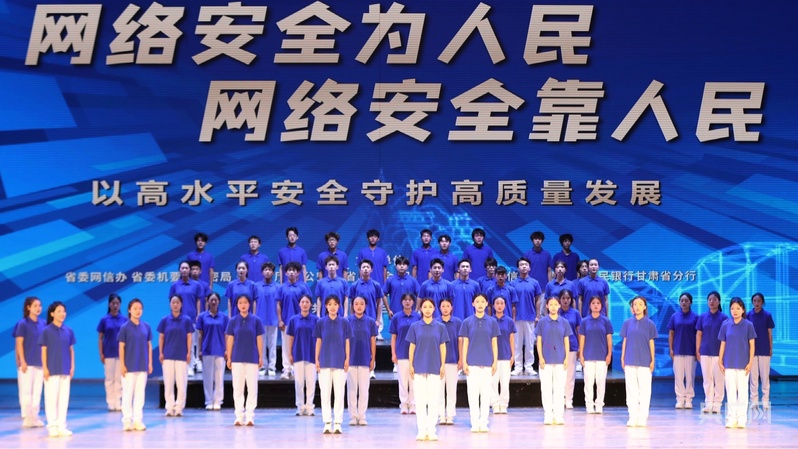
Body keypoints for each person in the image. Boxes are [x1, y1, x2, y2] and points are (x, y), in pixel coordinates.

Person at [407, 298, 449, 441]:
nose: (427, 309)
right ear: (421, 309)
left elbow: (442, 347)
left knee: (433, 400)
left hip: (434, 366)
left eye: (430, 307)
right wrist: (411, 364)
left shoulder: (440, 327)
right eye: (425, 307)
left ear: (434, 309)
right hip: (419, 367)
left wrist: (442, 365)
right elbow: (412, 347)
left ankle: (431, 430)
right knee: (420, 400)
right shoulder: (415, 326)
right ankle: (421, 429)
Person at [460, 293, 499, 433]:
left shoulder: (492, 322)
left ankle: (484, 422)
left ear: (487, 304)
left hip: (487, 363)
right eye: (477, 301)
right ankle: (475, 422)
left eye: (483, 301)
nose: (480, 304)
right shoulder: (467, 322)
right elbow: (465, 343)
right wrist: (464, 362)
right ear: (473, 304)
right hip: (472, 363)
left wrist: (495, 361)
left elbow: (494, 343)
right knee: (473, 394)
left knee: (486, 394)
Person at [314, 295, 353, 435]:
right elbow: (318, 341)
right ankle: (326, 422)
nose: (332, 307)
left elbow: (347, 341)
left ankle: (337, 423)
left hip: (340, 362)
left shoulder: (344, 322)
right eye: (329, 304)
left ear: (339, 306)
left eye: (335, 304)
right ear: (325, 306)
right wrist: (316, 359)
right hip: (324, 361)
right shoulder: (320, 322)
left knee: (339, 393)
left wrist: (347, 358)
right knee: (325, 394)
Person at [225, 294, 265, 426]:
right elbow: (230, 339)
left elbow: (259, 339)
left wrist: (260, 356)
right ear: (237, 305)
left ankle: (250, 416)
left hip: (252, 358)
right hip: (237, 358)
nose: (243, 305)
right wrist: (229, 357)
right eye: (240, 303)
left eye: (245, 302)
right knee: (238, 388)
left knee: (252, 388)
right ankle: (239, 415)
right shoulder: (233, 321)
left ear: (250, 304)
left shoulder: (256, 320)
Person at [718, 297, 756, 429]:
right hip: (729, 363)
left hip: (743, 364)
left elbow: (752, 345)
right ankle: (731, 418)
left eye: (738, 308)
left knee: (743, 393)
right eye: (732, 308)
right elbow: (723, 344)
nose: (735, 311)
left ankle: (741, 419)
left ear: (743, 310)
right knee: (731, 393)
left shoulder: (748, 325)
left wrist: (750, 362)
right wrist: (720, 360)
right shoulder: (725, 324)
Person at [39, 301, 76, 438]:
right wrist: (45, 368)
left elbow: (71, 350)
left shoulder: (68, 330)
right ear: (52, 314)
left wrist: (72, 366)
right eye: (59, 311)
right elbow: (44, 350)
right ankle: (52, 426)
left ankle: (62, 426)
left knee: (63, 399)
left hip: (65, 369)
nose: (62, 314)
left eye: (63, 311)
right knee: (51, 399)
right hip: (52, 369)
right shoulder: (46, 331)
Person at [620, 295, 657, 427]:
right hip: (630, 360)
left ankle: (642, 417)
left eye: (640, 304)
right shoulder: (627, 323)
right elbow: (625, 341)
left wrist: (652, 359)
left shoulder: (650, 324)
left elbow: (651, 343)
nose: (637, 307)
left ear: (645, 307)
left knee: (644, 390)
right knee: (631, 390)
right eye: (635, 304)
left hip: (645, 361)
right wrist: (623, 357)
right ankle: (633, 416)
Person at [535, 296, 571, 425]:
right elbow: (539, 341)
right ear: (547, 306)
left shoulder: (564, 322)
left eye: (556, 304)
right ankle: (548, 415)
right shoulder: (542, 322)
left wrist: (566, 358)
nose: (554, 307)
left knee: (559, 389)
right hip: (546, 360)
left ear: (559, 306)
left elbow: (566, 341)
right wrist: (541, 357)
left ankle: (558, 415)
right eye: (551, 304)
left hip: (560, 360)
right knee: (546, 389)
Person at [158, 294, 194, 417]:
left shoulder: (186, 320)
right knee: (168, 383)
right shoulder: (164, 320)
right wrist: (161, 352)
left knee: (181, 384)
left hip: (181, 355)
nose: (175, 305)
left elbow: (189, 337)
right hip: (168, 355)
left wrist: (189, 352)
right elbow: (161, 337)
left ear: (181, 304)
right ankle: (169, 407)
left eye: (177, 302)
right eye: (173, 302)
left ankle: (179, 407)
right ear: (170, 304)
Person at [118, 299, 152, 431]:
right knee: (127, 394)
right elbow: (121, 347)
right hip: (129, 366)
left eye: (140, 308)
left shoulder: (146, 326)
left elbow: (149, 345)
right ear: (129, 310)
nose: (138, 311)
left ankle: (138, 420)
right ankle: (127, 420)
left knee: (140, 395)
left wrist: (150, 362)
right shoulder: (125, 327)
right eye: (135, 308)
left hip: (142, 365)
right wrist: (122, 365)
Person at [278, 261, 313, 379]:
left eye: (294, 270)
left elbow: (308, 303)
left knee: (299, 345)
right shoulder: (282, 287)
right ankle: (286, 369)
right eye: (289, 270)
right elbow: (278, 304)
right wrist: (280, 320)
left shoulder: (304, 287)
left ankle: (296, 370)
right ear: (286, 273)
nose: (291, 272)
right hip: (286, 321)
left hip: (301, 322)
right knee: (286, 346)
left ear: (298, 273)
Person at [14, 296, 46, 428]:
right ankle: (27, 417)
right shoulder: (23, 324)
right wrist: (22, 360)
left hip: (40, 362)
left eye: (40, 305)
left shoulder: (43, 323)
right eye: (35, 306)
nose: (38, 308)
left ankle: (35, 416)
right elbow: (19, 343)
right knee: (26, 391)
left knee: (37, 392)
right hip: (27, 362)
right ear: (28, 307)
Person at [579, 296, 613, 414]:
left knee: (600, 382)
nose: (596, 305)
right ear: (589, 305)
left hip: (602, 356)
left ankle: (599, 405)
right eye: (593, 303)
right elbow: (582, 339)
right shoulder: (584, 321)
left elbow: (609, 340)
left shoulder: (606, 321)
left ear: (601, 306)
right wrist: (581, 355)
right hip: (588, 356)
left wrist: (609, 354)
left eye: (598, 303)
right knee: (588, 382)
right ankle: (589, 405)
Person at [286, 294, 320, 416]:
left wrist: (318, 355)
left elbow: (319, 339)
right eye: (302, 302)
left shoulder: (316, 320)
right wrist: (290, 353)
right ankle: (300, 407)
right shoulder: (293, 320)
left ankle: (310, 407)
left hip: (311, 354)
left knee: (311, 382)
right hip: (298, 353)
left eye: (307, 302)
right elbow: (290, 338)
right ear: (299, 304)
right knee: (299, 382)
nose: (305, 304)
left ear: (311, 304)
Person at [346, 296, 378, 425]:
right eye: (356, 304)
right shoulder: (347, 321)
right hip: (351, 359)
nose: (359, 306)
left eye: (362, 304)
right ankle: (353, 416)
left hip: (365, 358)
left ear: (366, 306)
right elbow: (345, 341)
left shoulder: (370, 322)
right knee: (352, 390)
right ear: (352, 306)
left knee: (364, 389)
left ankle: (362, 415)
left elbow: (373, 342)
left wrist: (373, 359)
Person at [696, 291, 728, 414]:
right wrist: (697, 350)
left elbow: (726, 337)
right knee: (707, 378)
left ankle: (717, 403)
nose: (712, 302)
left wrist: (724, 353)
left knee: (719, 379)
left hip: (719, 353)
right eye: (709, 299)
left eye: (714, 299)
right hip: (705, 351)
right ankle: (708, 402)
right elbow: (699, 334)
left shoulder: (724, 318)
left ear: (719, 301)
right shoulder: (702, 317)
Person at [196, 292, 229, 410]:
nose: (213, 302)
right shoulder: (202, 317)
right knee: (208, 377)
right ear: (207, 301)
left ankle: (218, 400)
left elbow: (226, 335)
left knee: (219, 377)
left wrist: (227, 350)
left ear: (219, 302)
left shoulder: (224, 317)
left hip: (220, 350)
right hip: (207, 349)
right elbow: (200, 335)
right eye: (211, 300)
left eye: (215, 300)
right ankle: (209, 400)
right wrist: (199, 350)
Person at [169, 261, 202, 375]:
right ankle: (180, 366)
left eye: (186, 268)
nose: (184, 270)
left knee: (191, 344)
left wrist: (198, 314)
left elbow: (198, 301)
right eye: (182, 268)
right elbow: (171, 302)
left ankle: (190, 366)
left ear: (189, 270)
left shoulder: (196, 285)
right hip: (178, 319)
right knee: (179, 344)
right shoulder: (174, 285)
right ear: (179, 270)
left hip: (191, 318)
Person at [390, 293, 422, 414]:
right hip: (401, 352)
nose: (407, 302)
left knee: (414, 380)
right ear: (401, 302)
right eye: (405, 300)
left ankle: (413, 404)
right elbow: (393, 337)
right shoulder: (397, 317)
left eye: (410, 300)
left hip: (416, 354)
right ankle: (403, 404)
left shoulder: (418, 317)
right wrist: (393, 353)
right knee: (403, 381)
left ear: (413, 302)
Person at [511, 257, 542, 375]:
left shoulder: (534, 283)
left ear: (529, 268)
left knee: (529, 343)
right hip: (517, 318)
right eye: (521, 264)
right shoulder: (513, 283)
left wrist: (537, 315)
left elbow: (538, 300)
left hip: (530, 317)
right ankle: (518, 367)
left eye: (526, 264)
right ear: (518, 268)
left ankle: (529, 367)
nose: (524, 266)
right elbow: (511, 303)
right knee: (517, 344)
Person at [97, 293, 127, 412]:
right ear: (109, 304)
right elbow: (100, 338)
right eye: (113, 303)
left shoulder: (124, 319)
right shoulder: (104, 320)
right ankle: (110, 402)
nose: (115, 305)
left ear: (120, 305)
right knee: (109, 379)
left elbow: (127, 338)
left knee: (119, 379)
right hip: (108, 353)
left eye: (117, 303)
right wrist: (101, 353)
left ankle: (118, 401)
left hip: (120, 354)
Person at [668, 292, 698, 409]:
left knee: (690, 376)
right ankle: (680, 399)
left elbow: (698, 335)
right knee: (679, 376)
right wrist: (671, 348)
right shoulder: (674, 316)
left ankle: (689, 399)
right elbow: (671, 333)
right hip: (678, 350)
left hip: (691, 350)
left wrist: (697, 350)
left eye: (686, 300)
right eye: (682, 300)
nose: (684, 302)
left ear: (691, 302)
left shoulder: (695, 317)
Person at [436, 298, 462, 425]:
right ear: (439, 308)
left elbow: (460, 341)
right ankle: (441, 415)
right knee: (439, 390)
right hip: (438, 362)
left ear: (452, 307)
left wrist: (461, 359)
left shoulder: (457, 322)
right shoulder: (435, 322)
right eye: (443, 306)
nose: (445, 308)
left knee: (451, 389)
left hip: (453, 360)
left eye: (448, 306)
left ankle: (450, 415)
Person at [748, 292, 775, 408]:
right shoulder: (748, 315)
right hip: (752, 351)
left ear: (762, 302)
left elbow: (769, 333)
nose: (757, 303)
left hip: (764, 349)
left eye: (759, 301)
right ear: (752, 302)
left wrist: (770, 348)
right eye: (755, 301)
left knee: (765, 376)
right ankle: (754, 400)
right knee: (753, 377)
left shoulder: (767, 315)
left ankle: (765, 400)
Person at [349, 259, 385, 342]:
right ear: (360, 269)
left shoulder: (376, 285)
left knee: (371, 343)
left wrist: (378, 320)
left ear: (371, 270)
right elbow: (352, 303)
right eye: (363, 267)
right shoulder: (354, 285)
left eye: (368, 267)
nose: (365, 269)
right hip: (357, 320)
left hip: (372, 319)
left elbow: (379, 303)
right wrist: (352, 318)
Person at [491, 296, 516, 415]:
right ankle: (495, 404)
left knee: (505, 382)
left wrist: (513, 355)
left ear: (505, 305)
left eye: (502, 303)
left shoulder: (509, 321)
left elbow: (511, 339)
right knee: (493, 382)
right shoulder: (490, 321)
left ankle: (504, 404)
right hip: (493, 357)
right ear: (493, 305)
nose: (499, 305)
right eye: (497, 303)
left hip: (506, 355)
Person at [254, 262, 280, 376]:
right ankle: (262, 366)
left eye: (270, 270)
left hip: (273, 318)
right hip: (260, 319)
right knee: (261, 344)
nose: (267, 272)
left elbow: (279, 304)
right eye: (265, 270)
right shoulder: (256, 286)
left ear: (273, 273)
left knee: (272, 344)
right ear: (262, 272)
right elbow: (254, 303)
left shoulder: (277, 287)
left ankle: (272, 367)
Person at [558, 289, 581, 409]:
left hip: (572, 346)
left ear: (571, 300)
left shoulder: (575, 313)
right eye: (563, 298)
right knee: (559, 375)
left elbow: (579, 331)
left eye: (568, 298)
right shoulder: (556, 312)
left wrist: (580, 347)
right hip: (558, 348)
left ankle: (569, 399)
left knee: (570, 375)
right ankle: (560, 398)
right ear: (559, 300)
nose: (566, 301)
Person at [384, 255, 421, 321]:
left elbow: (419, 295)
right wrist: (388, 310)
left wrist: (416, 310)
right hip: (394, 314)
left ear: (407, 267)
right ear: (396, 266)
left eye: (404, 264)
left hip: (410, 314)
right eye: (399, 264)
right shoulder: (390, 280)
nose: (401, 266)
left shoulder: (413, 280)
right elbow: (384, 295)